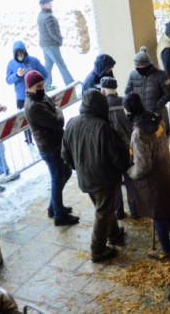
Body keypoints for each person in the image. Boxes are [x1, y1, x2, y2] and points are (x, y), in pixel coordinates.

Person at [62, 90, 129, 263]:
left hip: (86, 177)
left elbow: (65, 153)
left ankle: (113, 234)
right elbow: (117, 155)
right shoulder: (103, 127)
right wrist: (126, 168)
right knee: (102, 211)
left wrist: (77, 168)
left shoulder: (72, 123)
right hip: (103, 178)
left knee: (104, 208)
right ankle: (97, 250)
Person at [125, 93, 170, 260]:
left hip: (152, 180)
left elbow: (143, 165)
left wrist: (131, 172)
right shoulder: (157, 120)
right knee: (169, 211)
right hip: (165, 171)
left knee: (158, 214)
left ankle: (166, 250)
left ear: (129, 110)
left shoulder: (138, 133)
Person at [24, 71, 78, 226]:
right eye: (38, 86)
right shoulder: (34, 106)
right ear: (30, 87)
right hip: (49, 147)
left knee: (64, 173)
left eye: (42, 85)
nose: (42, 88)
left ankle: (54, 207)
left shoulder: (41, 97)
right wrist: (58, 111)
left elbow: (54, 110)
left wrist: (56, 110)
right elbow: (57, 121)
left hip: (55, 143)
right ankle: (59, 216)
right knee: (57, 178)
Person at [100, 77, 139, 221]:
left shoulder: (102, 108)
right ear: (116, 88)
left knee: (115, 185)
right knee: (131, 182)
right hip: (128, 150)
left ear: (103, 90)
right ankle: (135, 211)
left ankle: (119, 212)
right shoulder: (125, 102)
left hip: (111, 153)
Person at [125, 47, 170, 134]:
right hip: (140, 117)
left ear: (146, 65)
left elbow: (169, 93)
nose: (136, 67)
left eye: (138, 65)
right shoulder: (133, 74)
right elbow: (128, 92)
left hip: (158, 114)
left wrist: (156, 105)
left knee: (161, 138)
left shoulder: (161, 75)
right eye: (135, 65)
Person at [37, 0, 75, 89]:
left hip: (45, 44)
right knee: (60, 64)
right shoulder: (49, 17)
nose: (50, 4)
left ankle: (46, 86)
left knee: (48, 66)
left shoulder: (40, 15)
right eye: (49, 3)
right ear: (45, 5)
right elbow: (53, 32)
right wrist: (59, 40)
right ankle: (70, 83)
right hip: (51, 44)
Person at [5, 40, 48, 110]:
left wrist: (39, 85)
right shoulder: (11, 64)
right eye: (18, 56)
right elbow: (8, 80)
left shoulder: (34, 61)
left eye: (21, 54)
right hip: (21, 98)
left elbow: (45, 74)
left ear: (25, 52)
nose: (20, 57)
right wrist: (17, 75)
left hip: (36, 94)